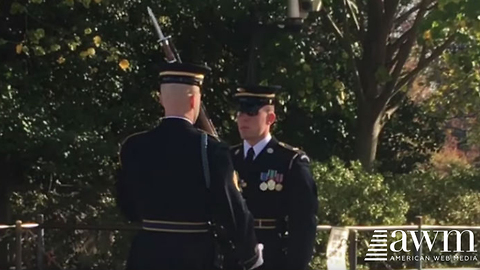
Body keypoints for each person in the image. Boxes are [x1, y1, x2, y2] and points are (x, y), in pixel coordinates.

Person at [115, 62, 263, 270]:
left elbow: (126, 206)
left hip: (146, 252)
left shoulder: (132, 146)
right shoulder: (210, 149)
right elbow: (231, 209)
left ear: (161, 99)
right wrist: (250, 255)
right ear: (194, 100)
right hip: (194, 254)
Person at [230, 84, 318, 270]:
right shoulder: (228, 158)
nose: (243, 118)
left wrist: (296, 265)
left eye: (252, 113)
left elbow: (303, 223)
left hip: (273, 257)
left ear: (270, 118)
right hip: (233, 256)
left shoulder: (290, 161)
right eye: (240, 113)